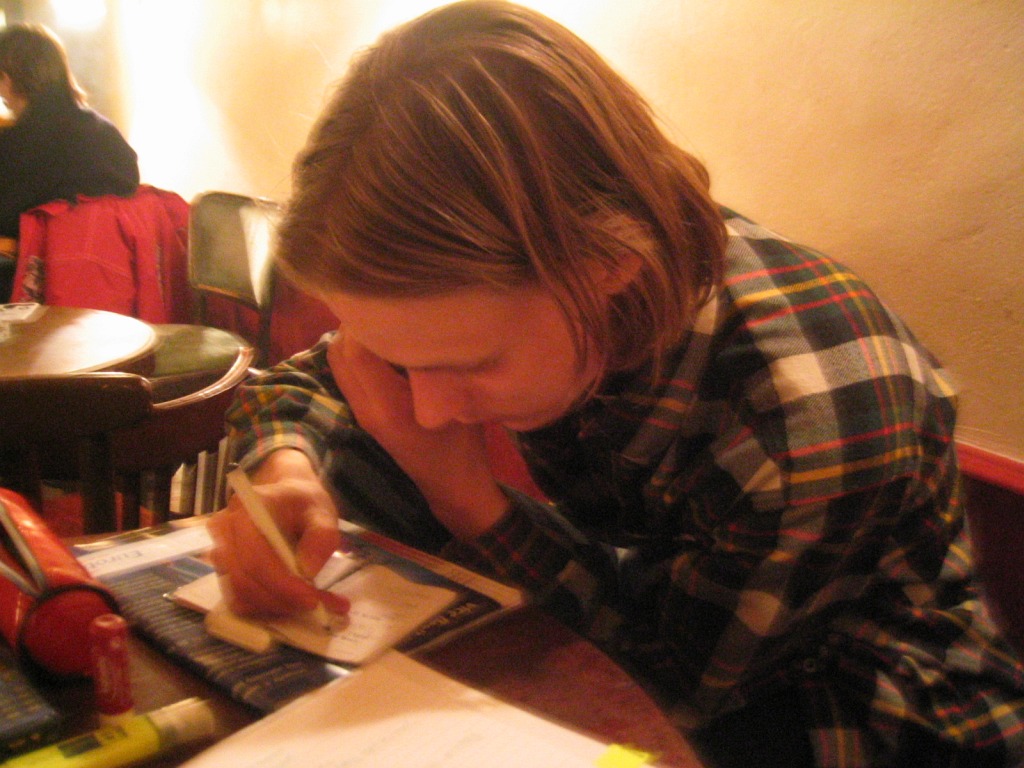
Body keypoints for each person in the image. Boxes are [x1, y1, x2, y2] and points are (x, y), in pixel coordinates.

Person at [208, 3, 1024, 766]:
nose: (426, 405)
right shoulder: (497, 298)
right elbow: (309, 380)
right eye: (403, 359)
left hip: (860, 717)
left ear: (609, 267)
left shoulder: (806, 420)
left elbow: (676, 682)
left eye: (470, 365)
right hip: (651, 632)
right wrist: (284, 468)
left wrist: (462, 495)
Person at [0, 22, 139, 300]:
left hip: (34, 288)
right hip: (113, 288)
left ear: (7, 78)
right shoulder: (106, 132)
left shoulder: (17, 142)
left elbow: (6, 219)